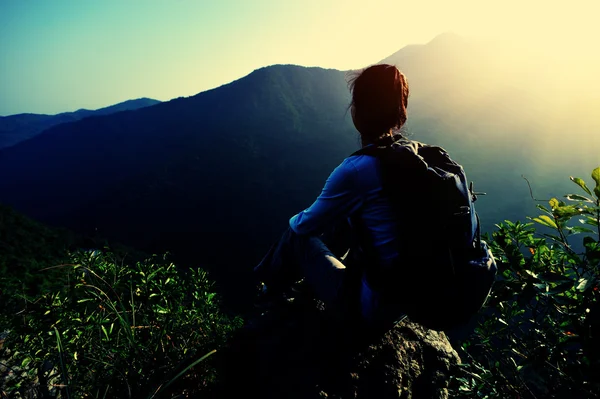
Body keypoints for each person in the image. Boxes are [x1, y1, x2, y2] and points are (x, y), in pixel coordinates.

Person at [254, 64, 411, 331]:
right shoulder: (418, 160)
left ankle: (266, 300)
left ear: (357, 112)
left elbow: (302, 227)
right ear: (400, 112)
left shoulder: (358, 170)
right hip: (407, 303)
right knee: (347, 219)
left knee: (296, 236)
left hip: (369, 309)